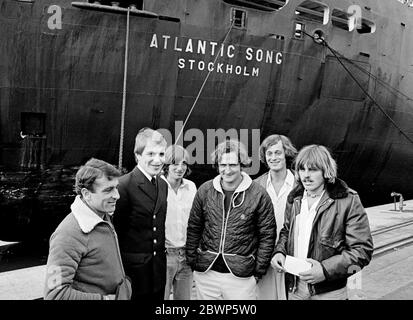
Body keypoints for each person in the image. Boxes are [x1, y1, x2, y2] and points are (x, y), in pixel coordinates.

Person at [272, 145, 373, 300]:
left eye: (312, 170)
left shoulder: (347, 200)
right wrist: (279, 252)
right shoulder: (294, 199)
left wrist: (324, 270)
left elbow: (361, 250)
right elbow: (286, 231)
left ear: (326, 171)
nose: (306, 176)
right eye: (302, 169)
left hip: (328, 291)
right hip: (295, 288)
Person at [186, 139, 276, 300]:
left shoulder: (259, 194)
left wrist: (257, 272)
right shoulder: (205, 190)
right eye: (223, 165)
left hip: (241, 278)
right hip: (206, 275)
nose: (227, 170)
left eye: (233, 165)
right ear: (217, 165)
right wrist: (194, 261)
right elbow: (194, 227)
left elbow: (267, 235)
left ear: (241, 165)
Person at [44, 158, 131, 300]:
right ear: (86, 194)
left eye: (116, 187)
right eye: (108, 190)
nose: (117, 195)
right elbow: (55, 295)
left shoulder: (103, 216)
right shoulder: (67, 235)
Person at [113, 128, 168, 301]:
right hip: (134, 275)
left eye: (161, 154)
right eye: (150, 153)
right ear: (138, 155)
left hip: (157, 273)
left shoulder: (162, 184)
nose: (157, 160)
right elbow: (116, 234)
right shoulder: (124, 186)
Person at [255, 134, 297, 300]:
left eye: (278, 152)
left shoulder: (300, 184)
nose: (273, 157)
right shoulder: (256, 186)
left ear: (286, 153)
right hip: (264, 256)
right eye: (269, 153)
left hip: (292, 255)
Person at [162, 145, 197, 300]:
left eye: (184, 163)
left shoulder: (191, 187)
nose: (180, 168)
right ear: (166, 165)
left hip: (186, 255)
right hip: (165, 254)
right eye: (175, 163)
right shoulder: (157, 186)